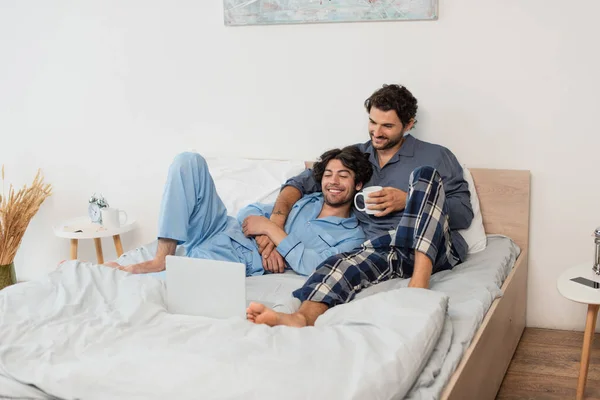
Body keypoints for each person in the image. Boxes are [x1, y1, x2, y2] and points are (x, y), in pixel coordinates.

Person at [246, 84, 474, 327]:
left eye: (387, 126)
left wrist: (407, 200)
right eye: (372, 122)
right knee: (338, 265)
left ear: (408, 125)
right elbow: (298, 184)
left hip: (434, 245)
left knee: (425, 175)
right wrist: (275, 223)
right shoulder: (355, 157)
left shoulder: (436, 155)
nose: (376, 132)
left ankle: (418, 288)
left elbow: (463, 213)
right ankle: (300, 318)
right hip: (383, 248)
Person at [105, 146, 372, 277]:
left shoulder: (353, 237)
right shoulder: (307, 201)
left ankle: (150, 273)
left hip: (236, 257)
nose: (333, 182)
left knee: (185, 279)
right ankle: (162, 257)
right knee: (188, 161)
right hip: (222, 226)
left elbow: (313, 264)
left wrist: (270, 230)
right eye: (328, 174)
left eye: (343, 176)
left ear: (357, 184)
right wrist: (263, 231)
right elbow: (250, 211)